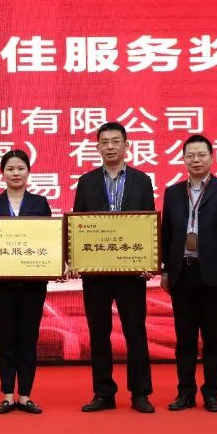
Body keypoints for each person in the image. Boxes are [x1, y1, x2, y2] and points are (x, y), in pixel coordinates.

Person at [69, 122, 157, 413]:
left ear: (126, 145)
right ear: (97, 147)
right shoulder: (86, 182)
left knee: (135, 332)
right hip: (96, 272)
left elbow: (148, 223)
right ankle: (103, 393)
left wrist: (149, 260)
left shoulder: (142, 181)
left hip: (131, 271)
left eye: (115, 141)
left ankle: (140, 393)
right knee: (99, 333)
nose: (110, 147)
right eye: (104, 142)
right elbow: (78, 223)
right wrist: (75, 259)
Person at [160, 134, 217, 413]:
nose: (196, 160)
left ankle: (211, 393)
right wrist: (165, 269)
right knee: (184, 338)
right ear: (183, 159)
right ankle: (185, 393)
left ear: (211, 157)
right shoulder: (173, 192)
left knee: (212, 336)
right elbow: (167, 234)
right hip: (182, 273)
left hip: (212, 273)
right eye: (190, 156)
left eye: (201, 155)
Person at [0, 150, 52, 414]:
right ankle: (8, 394)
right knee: (6, 336)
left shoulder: (40, 203)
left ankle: (26, 395)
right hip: (1, 284)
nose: (16, 173)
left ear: (28, 172)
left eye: (20, 168)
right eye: (10, 169)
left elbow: (49, 240)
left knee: (28, 338)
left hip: (33, 283)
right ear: (2, 173)